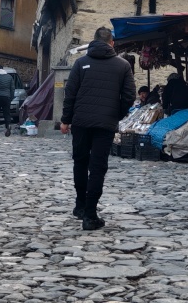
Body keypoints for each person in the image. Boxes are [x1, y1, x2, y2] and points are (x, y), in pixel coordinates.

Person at [61, 27, 135, 231]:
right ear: (112, 43)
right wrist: (116, 114)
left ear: (92, 41)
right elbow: (129, 96)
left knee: (80, 162)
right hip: (105, 124)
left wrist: (66, 120)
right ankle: (90, 213)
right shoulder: (123, 65)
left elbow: (70, 94)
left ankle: (80, 205)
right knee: (98, 167)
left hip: (81, 123)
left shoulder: (81, 63)